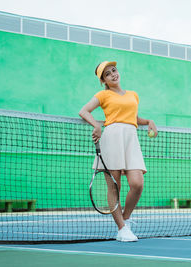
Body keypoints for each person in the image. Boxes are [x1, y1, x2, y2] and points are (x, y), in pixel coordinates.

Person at [79, 61, 157, 242]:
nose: (113, 74)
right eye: (107, 74)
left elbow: (132, 117)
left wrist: (148, 121)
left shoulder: (133, 95)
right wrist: (96, 125)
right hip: (112, 138)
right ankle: (122, 229)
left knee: (137, 184)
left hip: (131, 139)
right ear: (103, 80)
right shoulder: (103, 94)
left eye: (114, 70)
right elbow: (84, 111)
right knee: (115, 187)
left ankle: (126, 219)